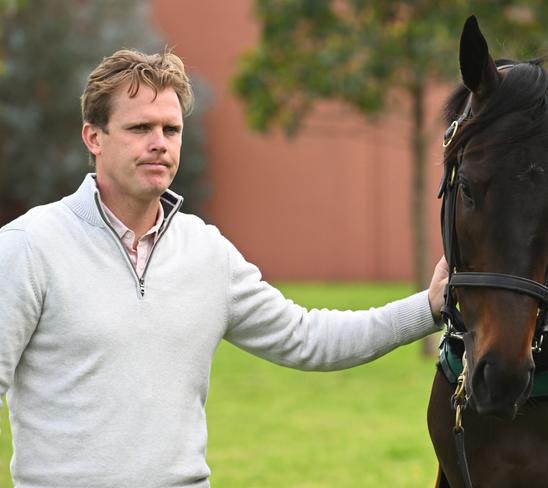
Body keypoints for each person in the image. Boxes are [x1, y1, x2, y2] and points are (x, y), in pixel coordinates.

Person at [0, 49, 448, 488]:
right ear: (93, 138)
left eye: (171, 129)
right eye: (140, 128)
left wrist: (427, 308)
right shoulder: (30, 247)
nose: (159, 142)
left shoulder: (206, 251)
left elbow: (309, 338)